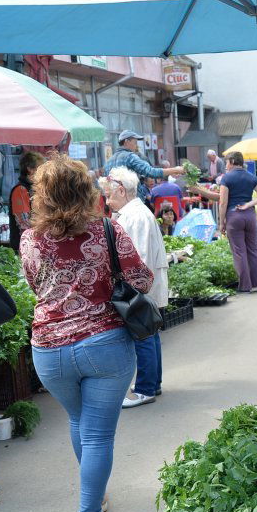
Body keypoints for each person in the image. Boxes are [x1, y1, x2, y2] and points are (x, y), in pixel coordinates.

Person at [21, 154, 153, 512]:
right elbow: (142, 281)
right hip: (104, 345)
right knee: (97, 436)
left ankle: (96, 495)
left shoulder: (31, 239)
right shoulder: (108, 230)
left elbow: (35, 286)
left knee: (79, 421)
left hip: (48, 349)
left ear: (40, 196)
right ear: (86, 192)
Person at [102, 167, 169, 408]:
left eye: (109, 195)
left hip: (140, 285)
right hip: (144, 283)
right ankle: (153, 383)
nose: (108, 201)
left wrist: (131, 287)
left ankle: (145, 388)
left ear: (122, 190)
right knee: (149, 332)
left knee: (143, 334)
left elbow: (138, 257)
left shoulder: (135, 215)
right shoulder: (134, 213)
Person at [198, 152, 257, 297]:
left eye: (227, 162)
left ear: (233, 161)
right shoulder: (251, 177)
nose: (226, 165)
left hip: (234, 215)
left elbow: (223, 202)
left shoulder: (226, 178)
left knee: (239, 252)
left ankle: (245, 286)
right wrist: (249, 204)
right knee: (253, 249)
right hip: (250, 215)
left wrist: (221, 222)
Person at [105, 131, 184, 200]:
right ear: (126, 141)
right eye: (135, 142)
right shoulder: (130, 156)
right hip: (131, 202)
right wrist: (176, 170)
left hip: (115, 203)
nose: (136, 146)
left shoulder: (108, 162)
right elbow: (151, 172)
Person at [9, 152, 45, 250]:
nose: (43, 172)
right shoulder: (20, 189)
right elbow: (24, 223)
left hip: (34, 243)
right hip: (25, 246)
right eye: (40, 168)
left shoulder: (34, 189)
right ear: (30, 169)